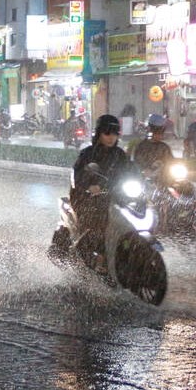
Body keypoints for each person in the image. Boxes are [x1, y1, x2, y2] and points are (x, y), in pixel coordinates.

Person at [70, 114, 137, 272]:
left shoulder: (120, 155)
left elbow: (132, 171)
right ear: (99, 133)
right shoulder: (88, 154)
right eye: (107, 133)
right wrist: (89, 186)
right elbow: (78, 175)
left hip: (115, 197)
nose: (111, 137)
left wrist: (142, 181)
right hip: (89, 199)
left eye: (114, 134)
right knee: (99, 223)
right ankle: (97, 257)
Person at [132, 113, 175, 186]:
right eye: (156, 131)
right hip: (144, 183)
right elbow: (136, 165)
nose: (158, 134)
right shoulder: (141, 147)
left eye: (161, 131)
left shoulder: (164, 148)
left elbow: (171, 163)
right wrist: (145, 171)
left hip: (163, 183)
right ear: (149, 129)